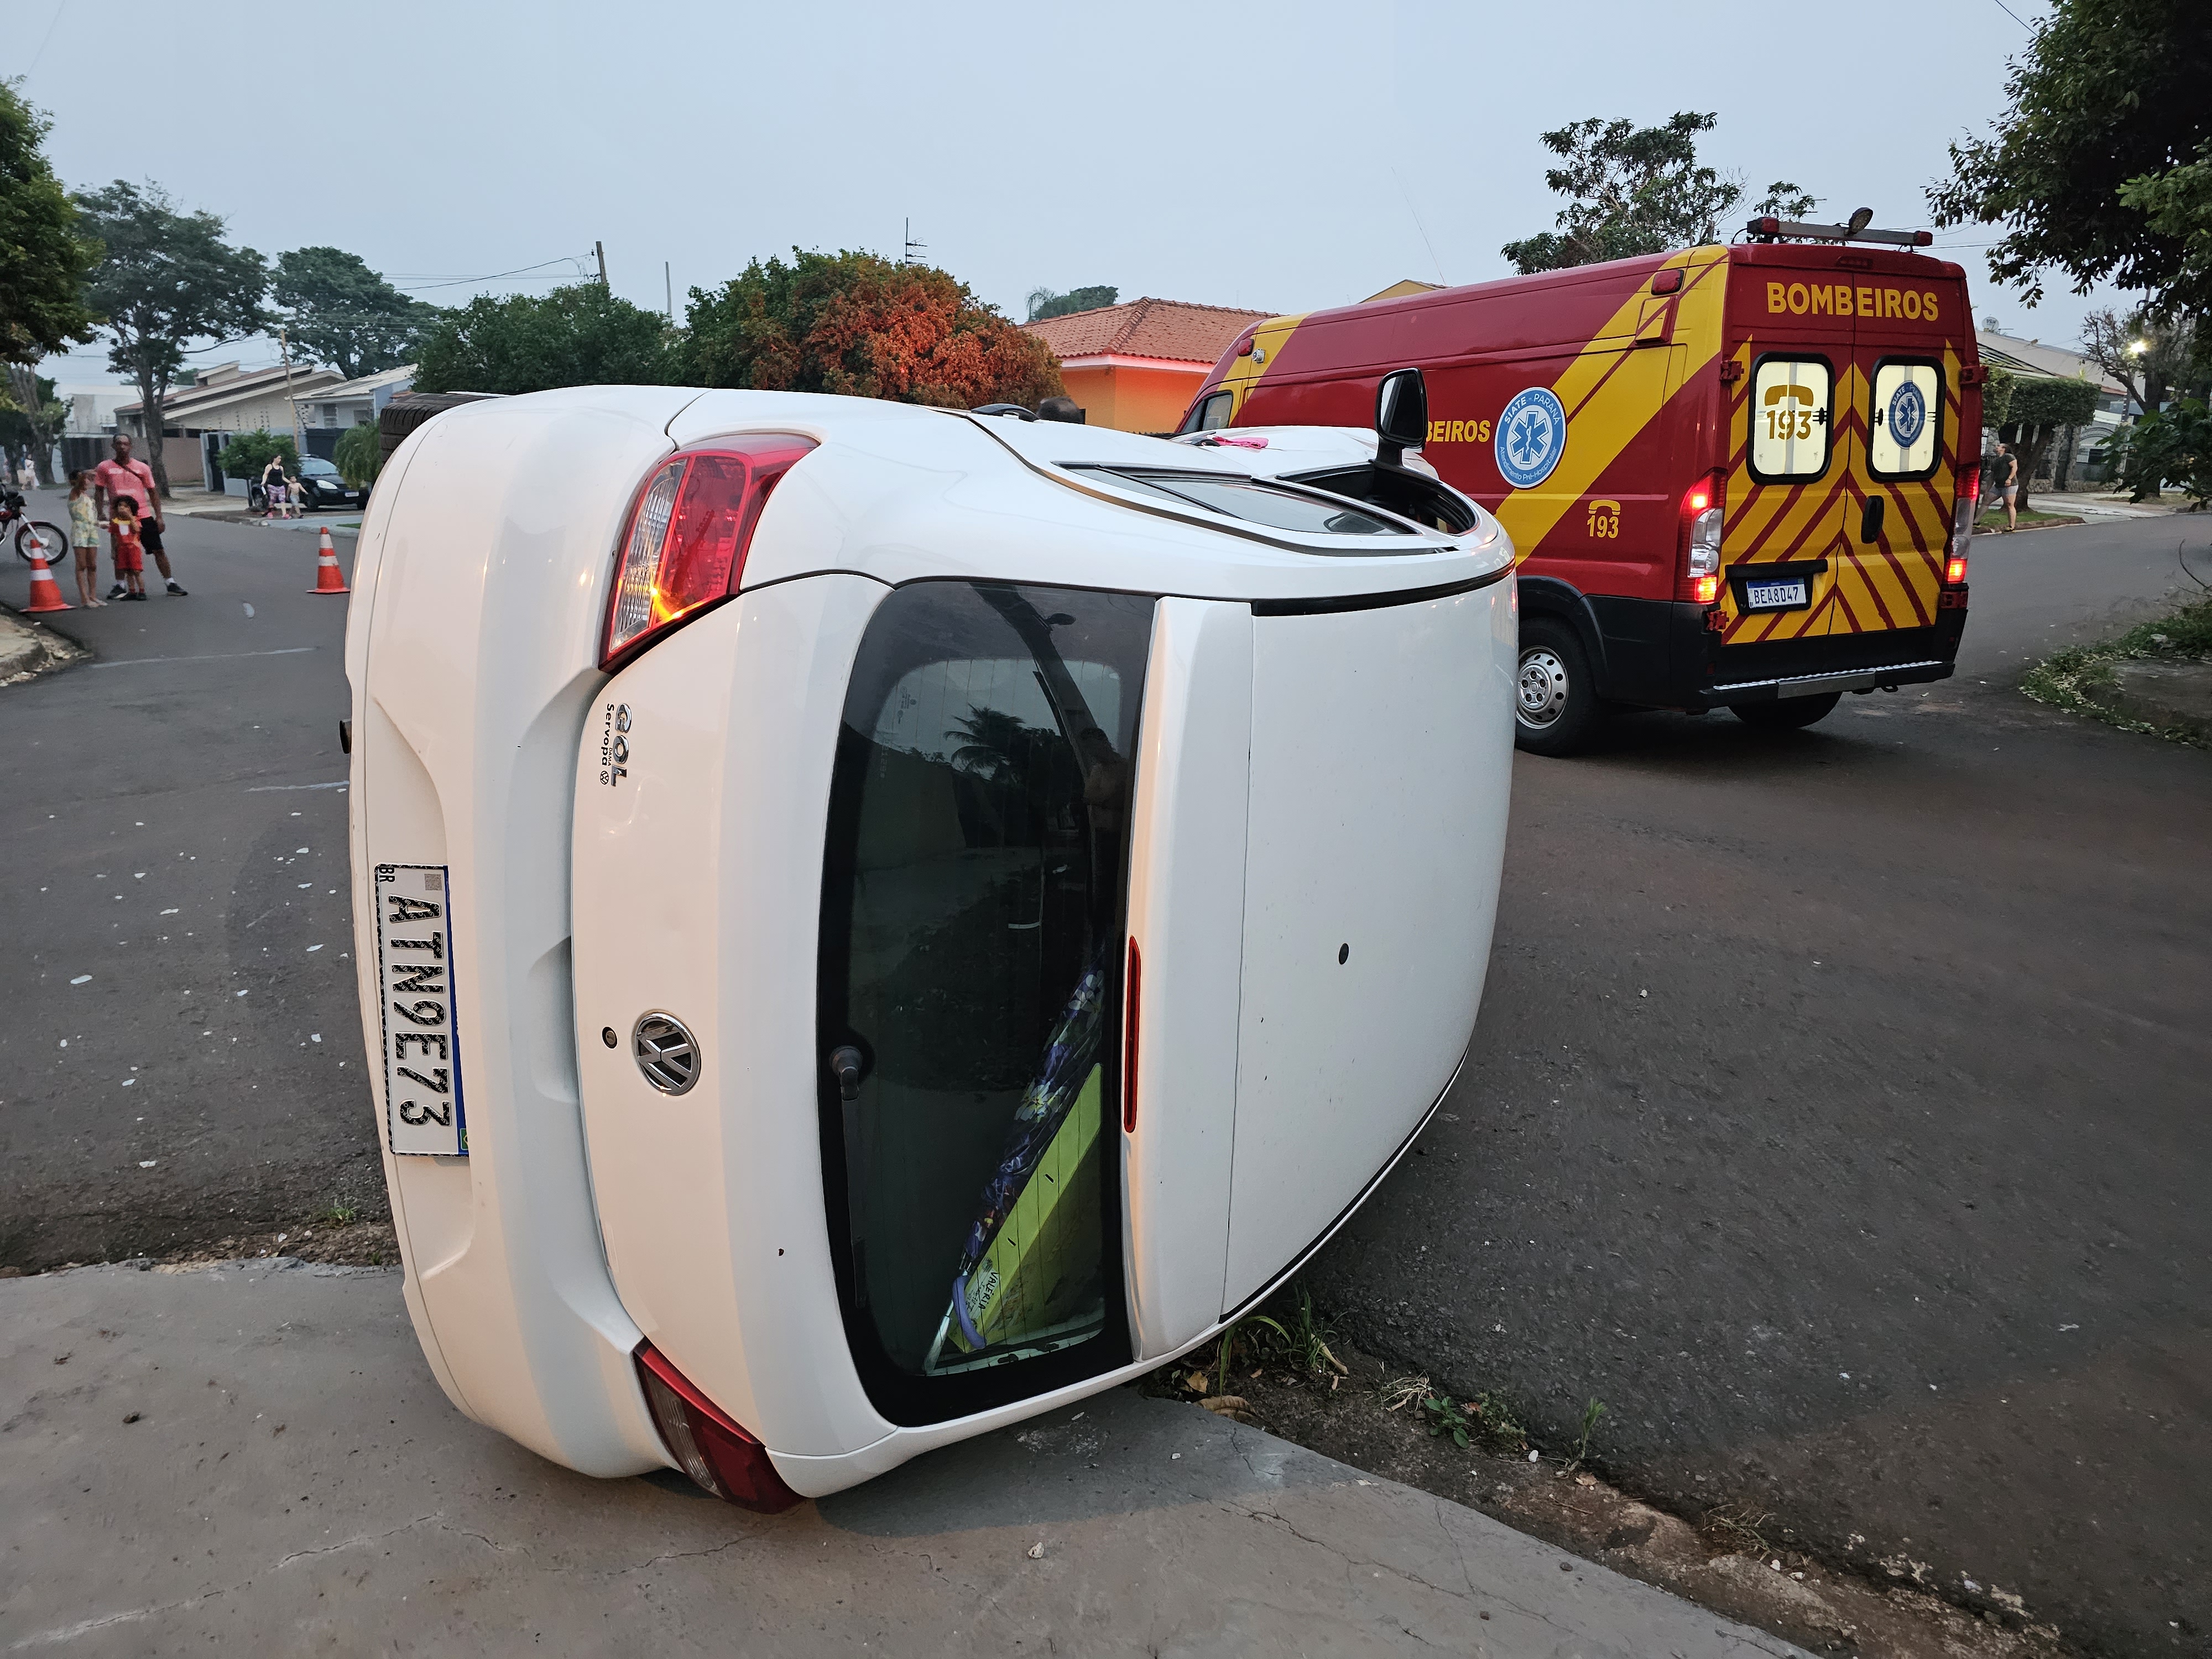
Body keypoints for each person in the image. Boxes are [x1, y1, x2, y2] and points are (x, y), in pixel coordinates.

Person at [95, 434, 186, 597]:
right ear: (113, 446)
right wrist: (100, 512)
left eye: (126, 444)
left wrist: (159, 517)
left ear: (131, 446)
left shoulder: (142, 468)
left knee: (158, 549)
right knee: (120, 550)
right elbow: (99, 491)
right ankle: (120, 585)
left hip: (143, 516)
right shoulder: (104, 467)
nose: (122, 447)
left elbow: (152, 492)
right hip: (119, 519)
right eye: (119, 444)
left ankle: (170, 583)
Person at [67, 471, 105, 607]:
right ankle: (84, 598)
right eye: (84, 479)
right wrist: (86, 473)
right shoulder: (75, 493)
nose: (87, 482)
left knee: (92, 565)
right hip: (80, 531)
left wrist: (100, 523)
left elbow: (90, 515)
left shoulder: (87, 496)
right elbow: (79, 484)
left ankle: (93, 595)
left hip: (91, 530)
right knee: (81, 565)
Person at [108, 497, 148, 599]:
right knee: (128, 571)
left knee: (136, 571)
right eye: (120, 506)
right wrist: (114, 551)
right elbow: (114, 536)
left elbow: (137, 530)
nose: (122, 508)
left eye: (126, 506)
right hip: (122, 549)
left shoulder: (135, 520)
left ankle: (142, 591)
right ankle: (132, 591)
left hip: (133, 549)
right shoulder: (116, 522)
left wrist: (130, 517)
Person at [1995, 442, 2020, 532]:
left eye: (1999, 446)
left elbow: (2014, 468)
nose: (1996, 447)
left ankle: (2012, 527)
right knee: (1986, 500)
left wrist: (2009, 479)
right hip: (1998, 485)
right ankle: (1976, 522)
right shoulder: (1997, 460)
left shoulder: (2009, 456)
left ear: (2004, 449)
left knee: (2009, 505)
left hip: (2010, 485)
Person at [260, 452, 288, 519]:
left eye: (280, 459)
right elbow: (265, 474)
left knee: (283, 500)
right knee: (272, 500)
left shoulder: (281, 468)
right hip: (272, 486)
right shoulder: (270, 466)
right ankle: (270, 512)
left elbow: (283, 477)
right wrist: (264, 481)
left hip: (281, 486)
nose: (280, 460)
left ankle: (284, 514)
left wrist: (290, 482)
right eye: (279, 458)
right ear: (274, 459)